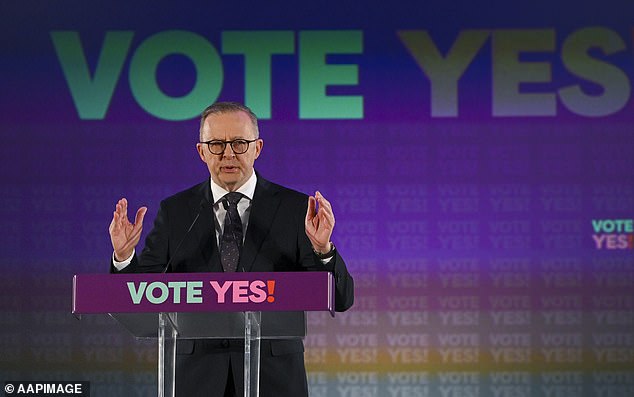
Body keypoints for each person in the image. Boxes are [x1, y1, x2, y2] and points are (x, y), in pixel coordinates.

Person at [108, 101, 354, 397]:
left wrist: (322, 249)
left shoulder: (296, 209)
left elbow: (340, 298)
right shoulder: (176, 212)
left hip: (273, 379)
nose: (228, 154)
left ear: (257, 148)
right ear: (201, 151)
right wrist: (123, 257)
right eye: (216, 144)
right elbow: (138, 297)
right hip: (196, 379)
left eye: (239, 143)